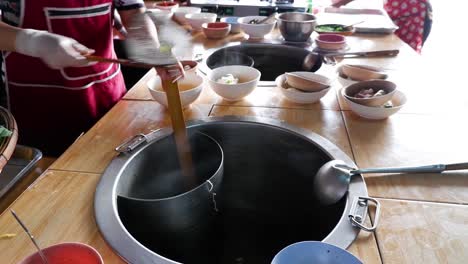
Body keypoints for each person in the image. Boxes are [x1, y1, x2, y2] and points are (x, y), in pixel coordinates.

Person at [0, 0, 181, 156]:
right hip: (35, 108)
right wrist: (32, 41)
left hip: (108, 100)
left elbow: (134, 13)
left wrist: (155, 50)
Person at [331, 0, 433, 53]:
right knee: (389, 50)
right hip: (402, 9)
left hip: (414, 13)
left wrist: (341, 2)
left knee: (401, 54)